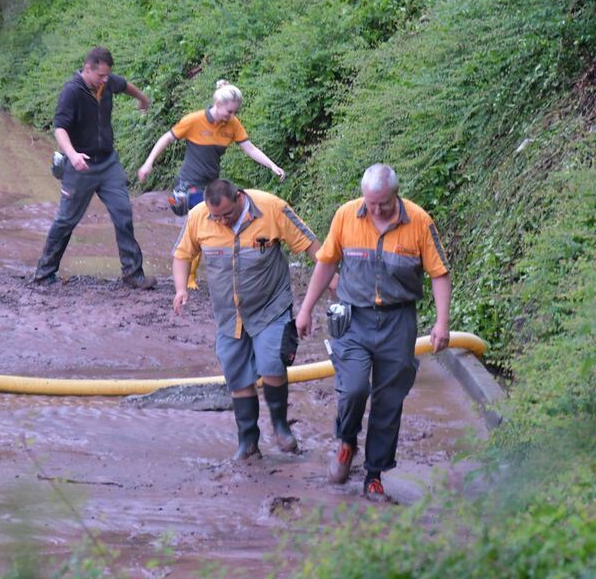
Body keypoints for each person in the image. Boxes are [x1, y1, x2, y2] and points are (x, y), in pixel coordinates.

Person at [295, 163, 451, 503]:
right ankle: (346, 441)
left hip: (398, 321)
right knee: (352, 389)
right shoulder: (346, 215)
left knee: (389, 400)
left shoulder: (420, 222)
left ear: (396, 194)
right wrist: (305, 309)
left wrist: (441, 322)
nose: (375, 210)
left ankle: (374, 475)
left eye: (382, 203)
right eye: (370, 202)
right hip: (354, 319)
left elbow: (439, 272)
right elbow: (326, 262)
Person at [172, 178, 320, 460]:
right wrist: (181, 289)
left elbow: (312, 245)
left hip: (271, 307)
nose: (222, 221)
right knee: (237, 376)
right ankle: (248, 443)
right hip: (229, 315)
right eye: (216, 217)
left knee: (272, 364)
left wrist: (333, 280)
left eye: (227, 215)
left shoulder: (272, 208)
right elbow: (182, 255)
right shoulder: (197, 218)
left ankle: (279, 425)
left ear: (239, 197)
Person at [32, 46, 156, 289]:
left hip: (108, 163)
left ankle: (133, 274)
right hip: (80, 165)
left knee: (123, 214)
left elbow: (125, 85)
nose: (105, 79)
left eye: (107, 75)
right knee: (66, 220)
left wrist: (142, 98)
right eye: (100, 75)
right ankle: (44, 274)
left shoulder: (107, 82)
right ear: (87, 69)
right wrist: (72, 154)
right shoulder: (72, 91)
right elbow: (60, 128)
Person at [137, 80, 285, 211]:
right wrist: (148, 163)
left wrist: (272, 165)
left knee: (219, 213)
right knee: (206, 212)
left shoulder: (232, 124)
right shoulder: (194, 120)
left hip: (212, 184)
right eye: (229, 112)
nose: (232, 116)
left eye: (235, 112)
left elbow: (250, 148)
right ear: (218, 104)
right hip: (189, 183)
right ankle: (175, 199)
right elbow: (167, 138)